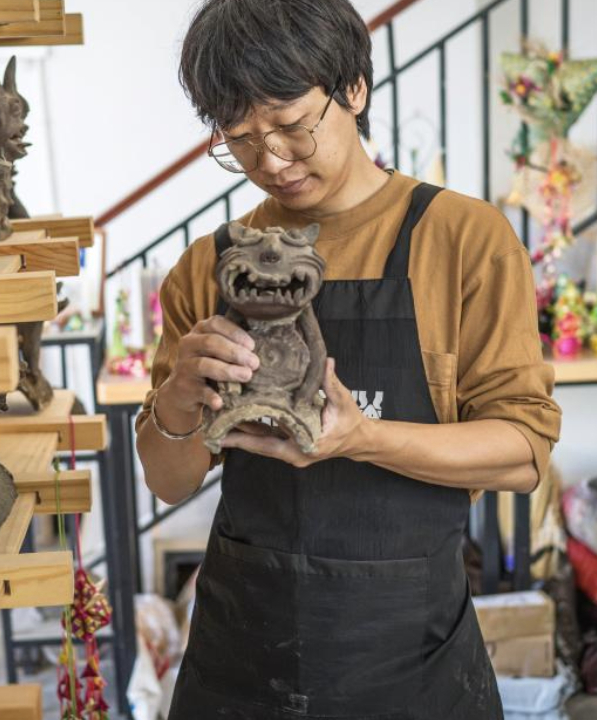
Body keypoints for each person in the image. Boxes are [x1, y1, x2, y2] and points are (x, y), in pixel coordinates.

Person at [135, 0, 563, 717]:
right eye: (239, 139)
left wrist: (361, 438)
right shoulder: (208, 266)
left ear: (354, 89)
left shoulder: (462, 239)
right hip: (243, 652)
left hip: (409, 656)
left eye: (293, 127)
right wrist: (179, 394)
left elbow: (522, 455)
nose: (270, 161)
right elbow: (167, 481)